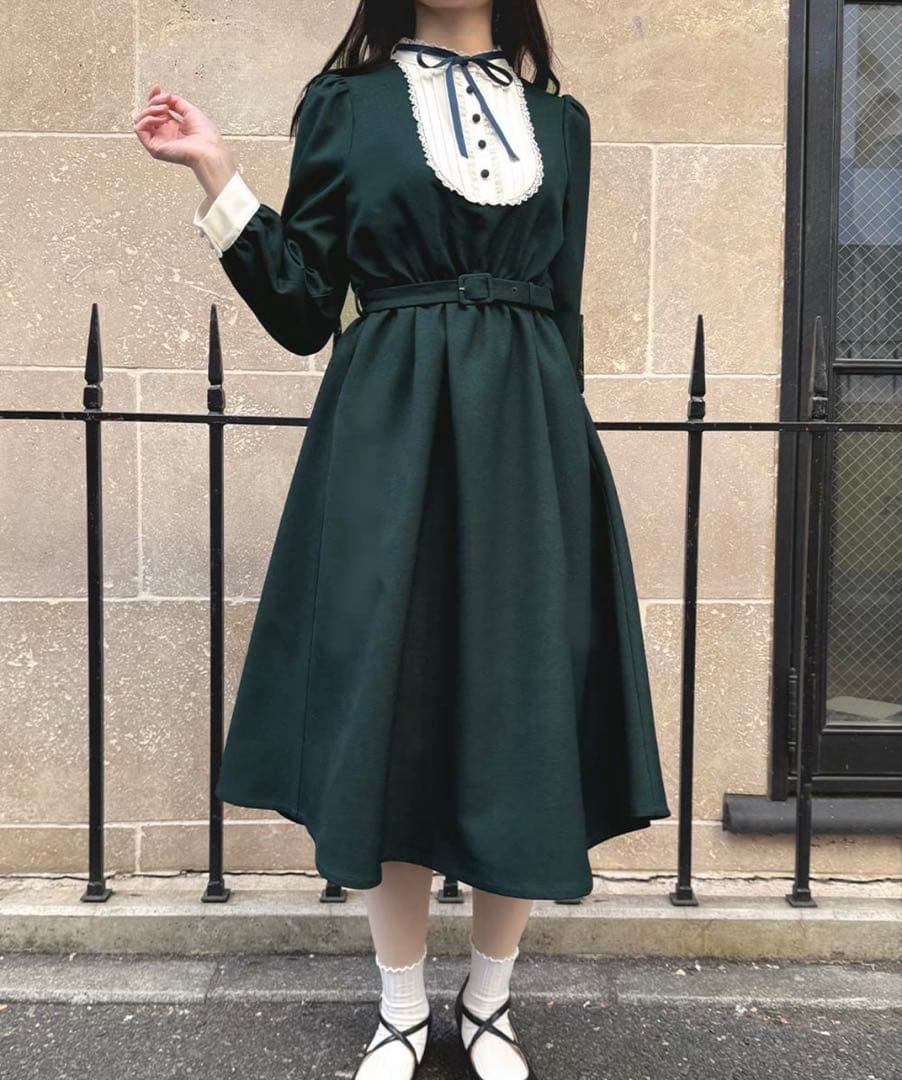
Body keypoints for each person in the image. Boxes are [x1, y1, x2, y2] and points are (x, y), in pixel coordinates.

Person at [133, 2, 671, 1077]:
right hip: (388, 435)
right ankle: (398, 1005)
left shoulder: (561, 124)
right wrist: (217, 173)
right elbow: (304, 308)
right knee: (390, 705)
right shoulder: (348, 104)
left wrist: (560, 462)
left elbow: (561, 308)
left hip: (525, 437)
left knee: (522, 709)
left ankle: (489, 1003)